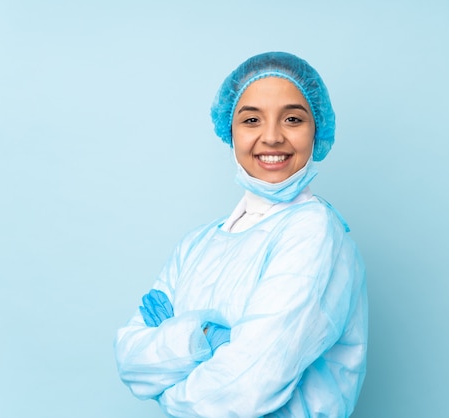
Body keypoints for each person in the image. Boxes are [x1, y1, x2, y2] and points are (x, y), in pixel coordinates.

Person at [114, 51, 368, 417]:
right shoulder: (197, 245)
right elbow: (130, 360)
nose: (272, 137)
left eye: (293, 119)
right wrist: (201, 338)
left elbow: (248, 390)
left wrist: (168, 382)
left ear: (317, 130)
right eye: (251, 119)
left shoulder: (315, 232)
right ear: (229, 132)